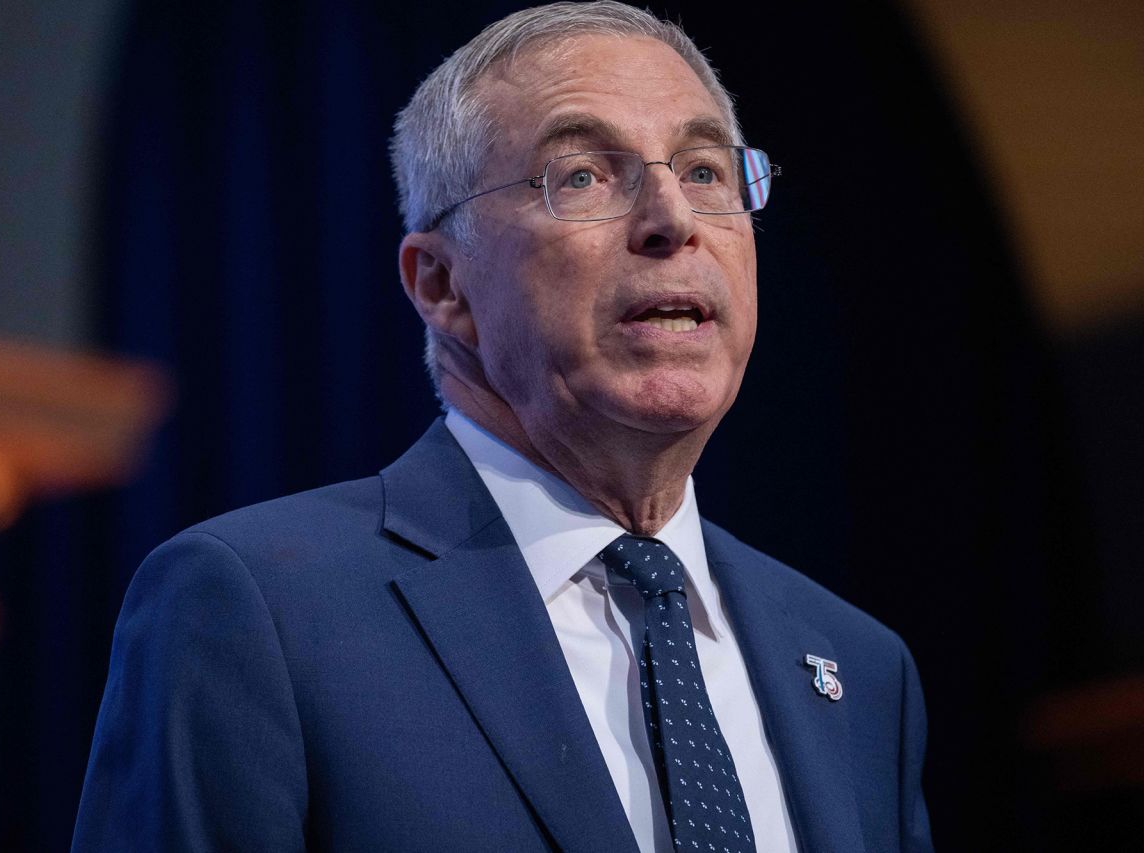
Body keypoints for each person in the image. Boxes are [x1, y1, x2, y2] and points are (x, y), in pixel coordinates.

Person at [73, 2, 932, 851]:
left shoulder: (859, 668)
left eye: (705, 171)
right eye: (585, 176)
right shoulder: (259, 612)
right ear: (443, 285)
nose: (673, 219)